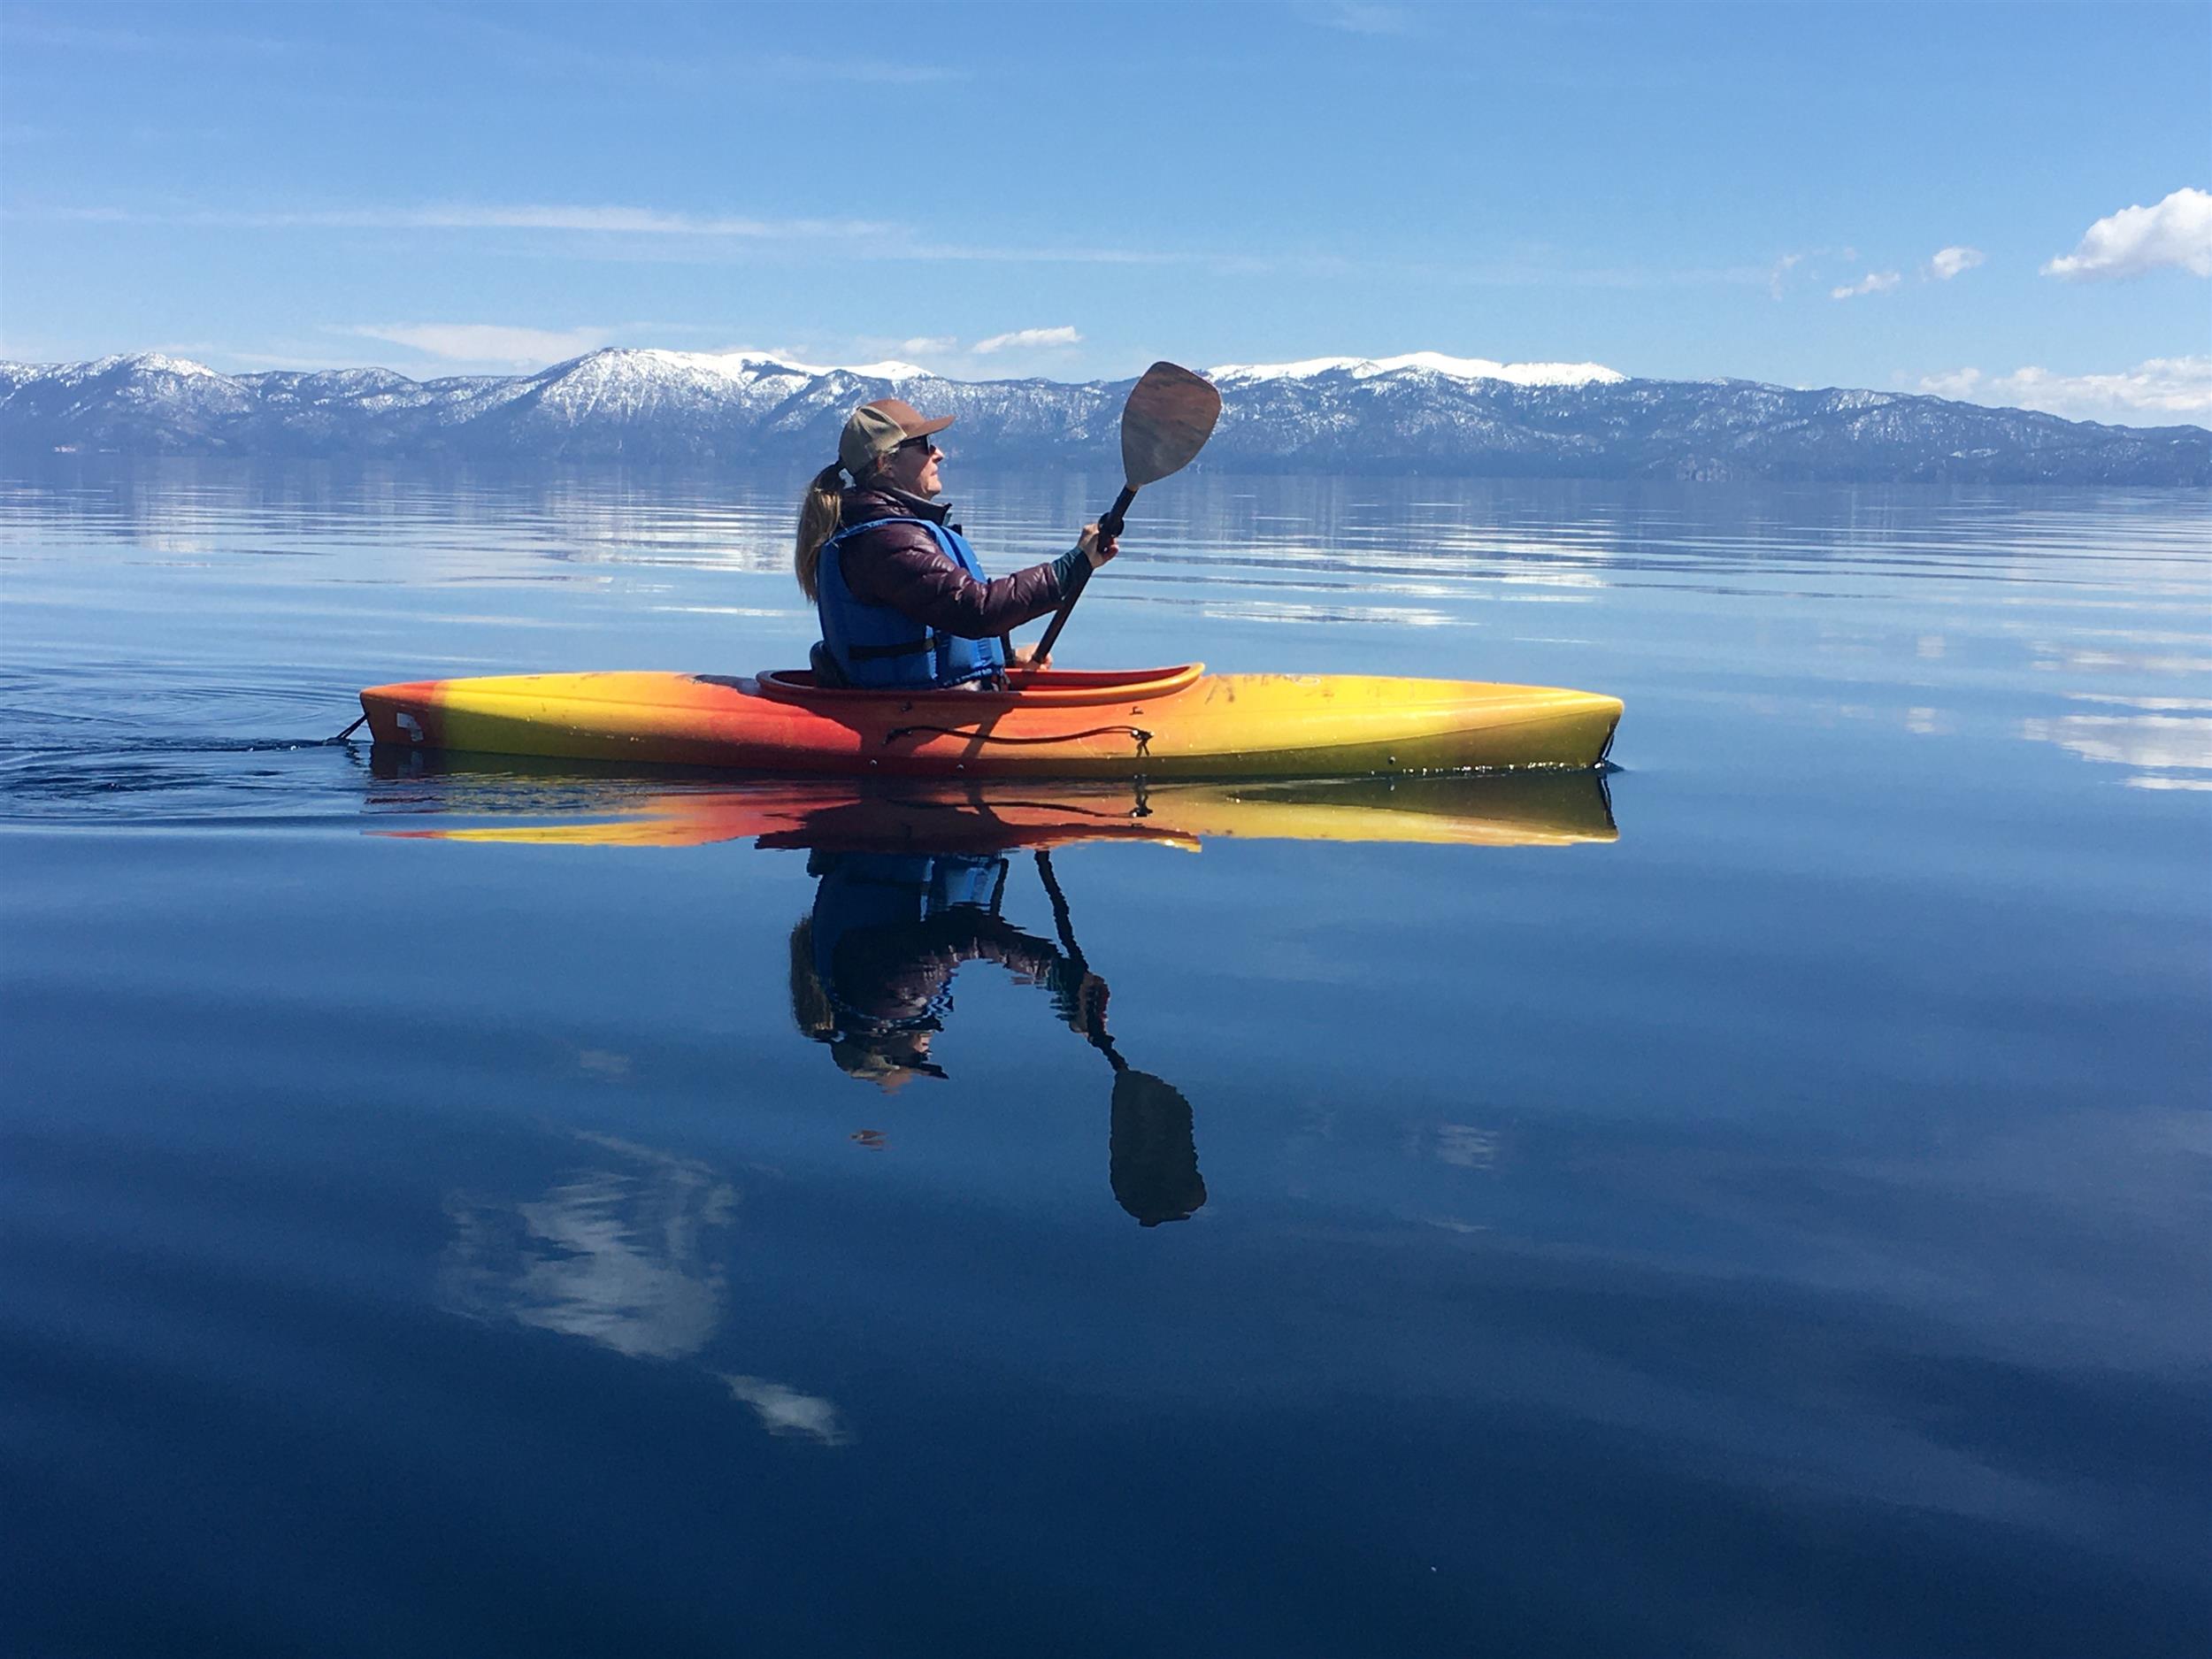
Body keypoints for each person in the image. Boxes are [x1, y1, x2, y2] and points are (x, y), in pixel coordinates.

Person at [794, 397, 1118, 688]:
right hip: (908, 716)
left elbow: (941, 619)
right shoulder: (885, 542)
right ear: (885, 464)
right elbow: (977, 608)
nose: (939, 453)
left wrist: (1005, 658)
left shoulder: (890, 532)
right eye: (924, 444)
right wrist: (1074, 565)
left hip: (928, 704)